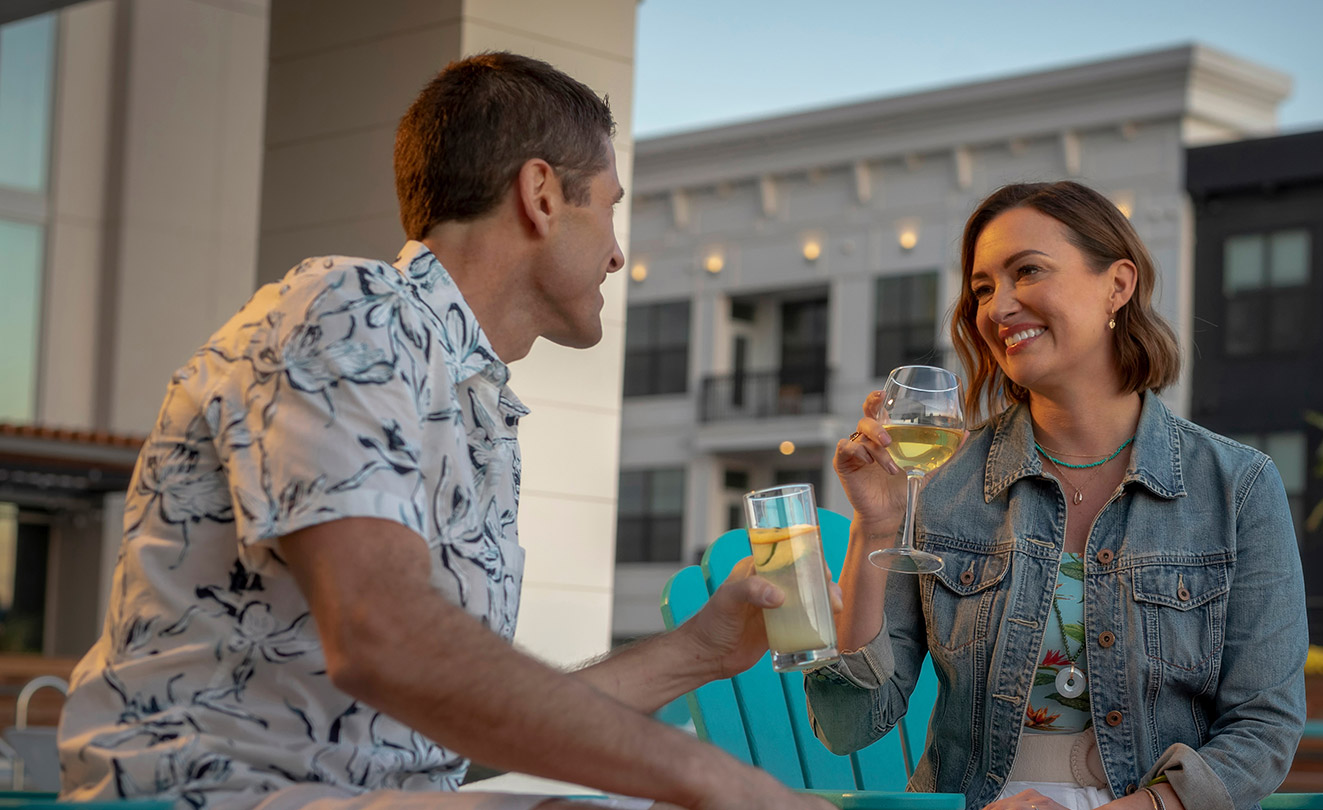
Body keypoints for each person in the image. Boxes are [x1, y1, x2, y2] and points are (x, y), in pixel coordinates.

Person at [57, 52, 826, 810]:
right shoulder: (349, 311)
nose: (618, 252)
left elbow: (461, 726)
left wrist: (696, 653)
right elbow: (383, 637)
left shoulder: (474, 397)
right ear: (542, 195)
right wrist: (720, 778)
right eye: (610, 206)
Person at [807, 181, 1307, 810]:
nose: (998, 306)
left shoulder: (1237, 488)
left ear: (1117, 286)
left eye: (1028, 272)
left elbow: (1264, 729)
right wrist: (875, 529)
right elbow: (851, 725)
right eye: (984, 288)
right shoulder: (941, 482)